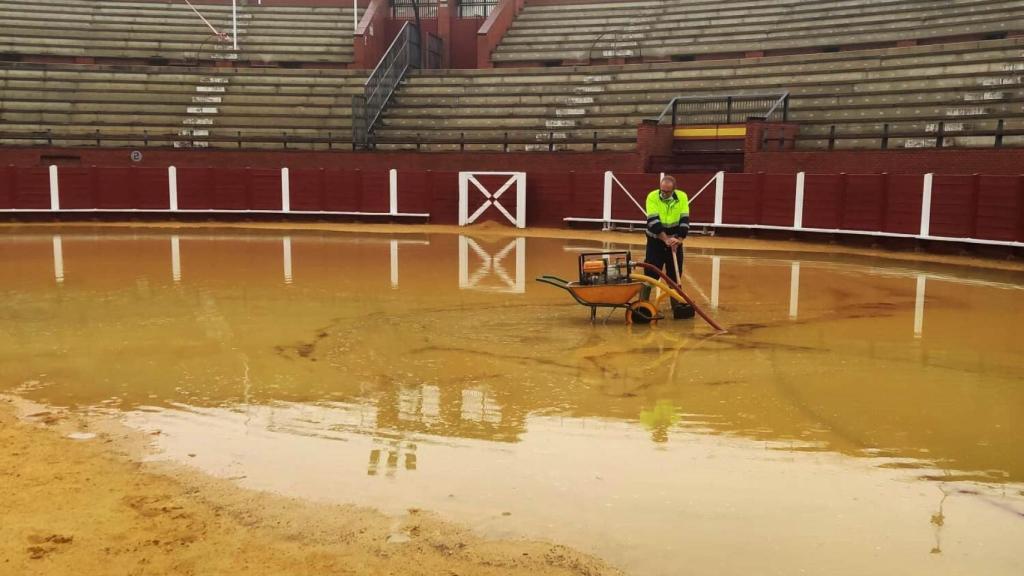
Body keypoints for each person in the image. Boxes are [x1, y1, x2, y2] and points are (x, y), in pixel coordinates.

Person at [643, 175, 692, 317]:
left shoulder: (682, 197)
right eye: (662, 191)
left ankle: (676, 306)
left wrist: (679, 239)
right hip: (656, 241)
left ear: (674, 190)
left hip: (675, 241)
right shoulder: (652, 196)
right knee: (650, 274)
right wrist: (665, 239)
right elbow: (653, 222)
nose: (664, 194)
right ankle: (642, 304)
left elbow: (684, 220)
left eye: (667, 192)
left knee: (675, 276)